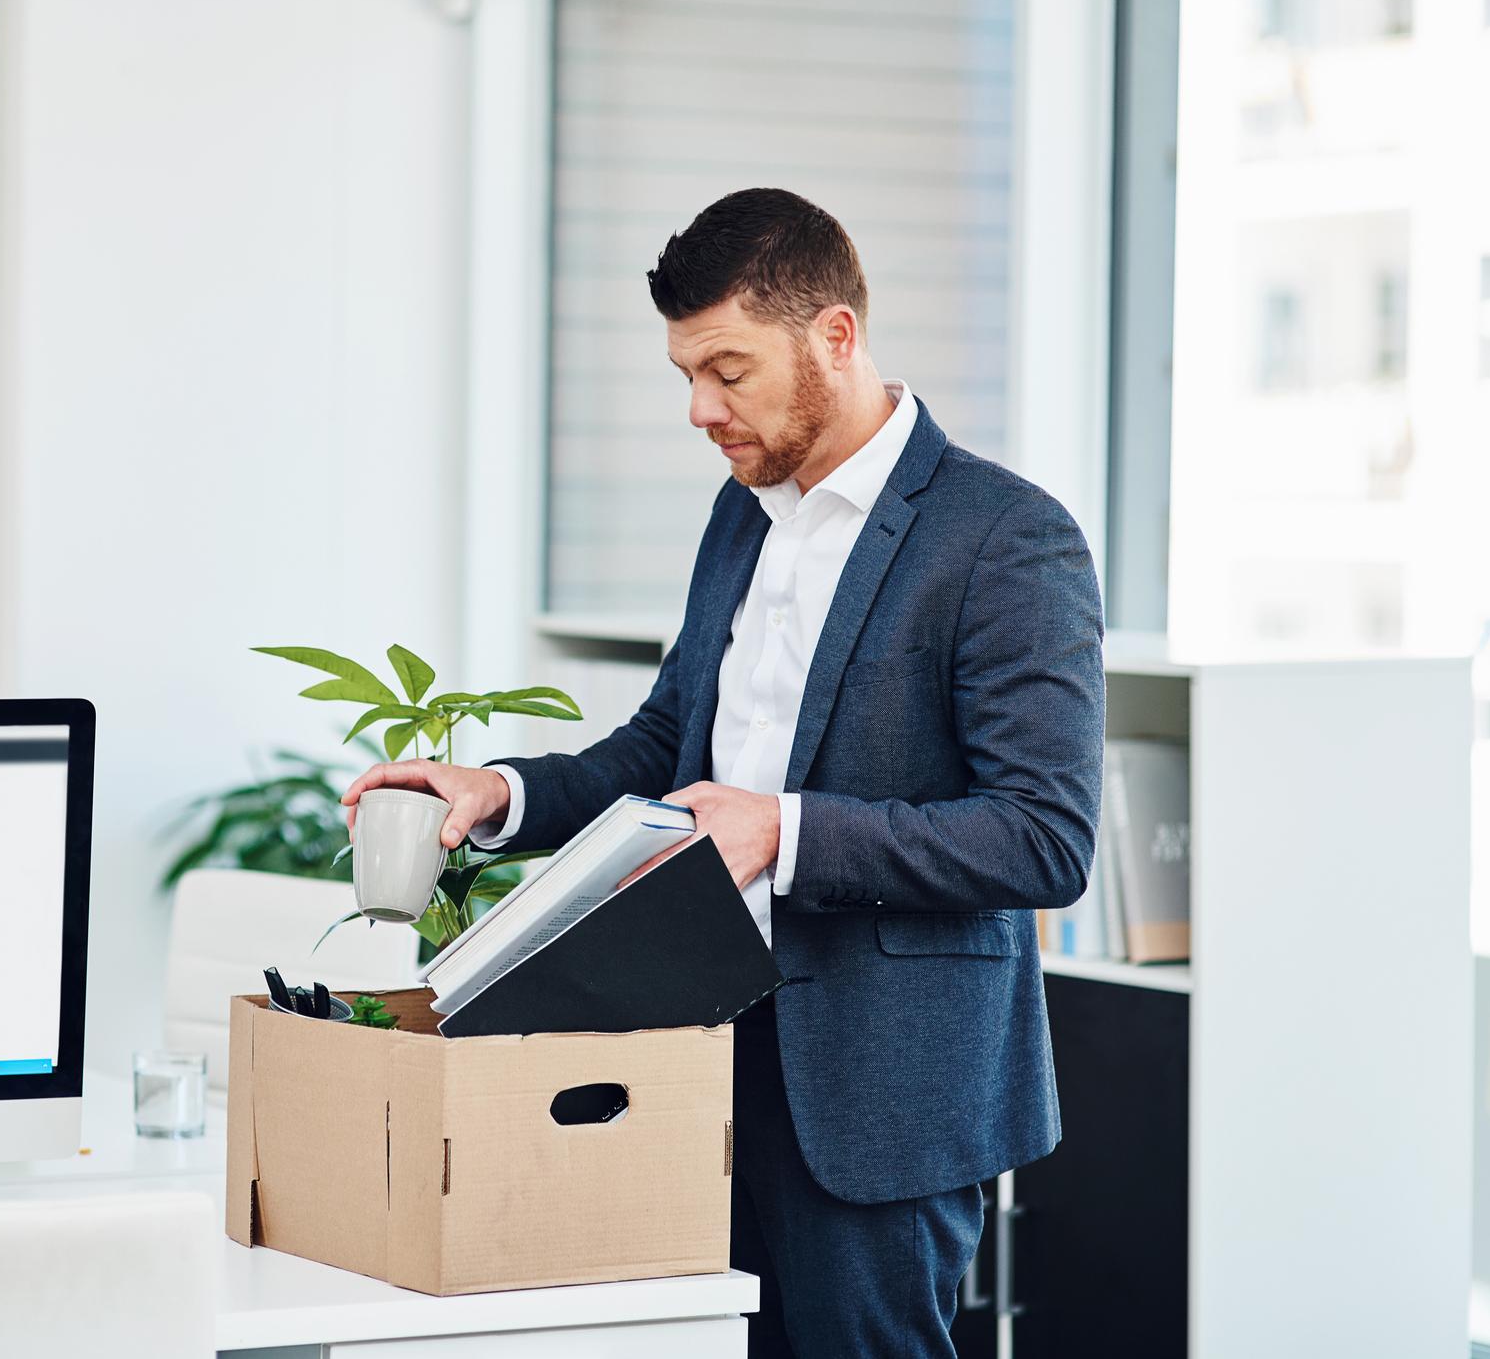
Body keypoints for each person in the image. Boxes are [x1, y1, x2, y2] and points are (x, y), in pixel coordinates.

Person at [342, 188, 1103, 1357]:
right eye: (685, 374)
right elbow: (666, 747)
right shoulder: (744, 515)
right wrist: (504, 794)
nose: (701, 408)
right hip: (698, 1060)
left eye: (729, 370)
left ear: (835, 337)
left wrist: (782, 832)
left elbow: (1042, 839)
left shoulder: (1006, 536)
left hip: (879, 1095)